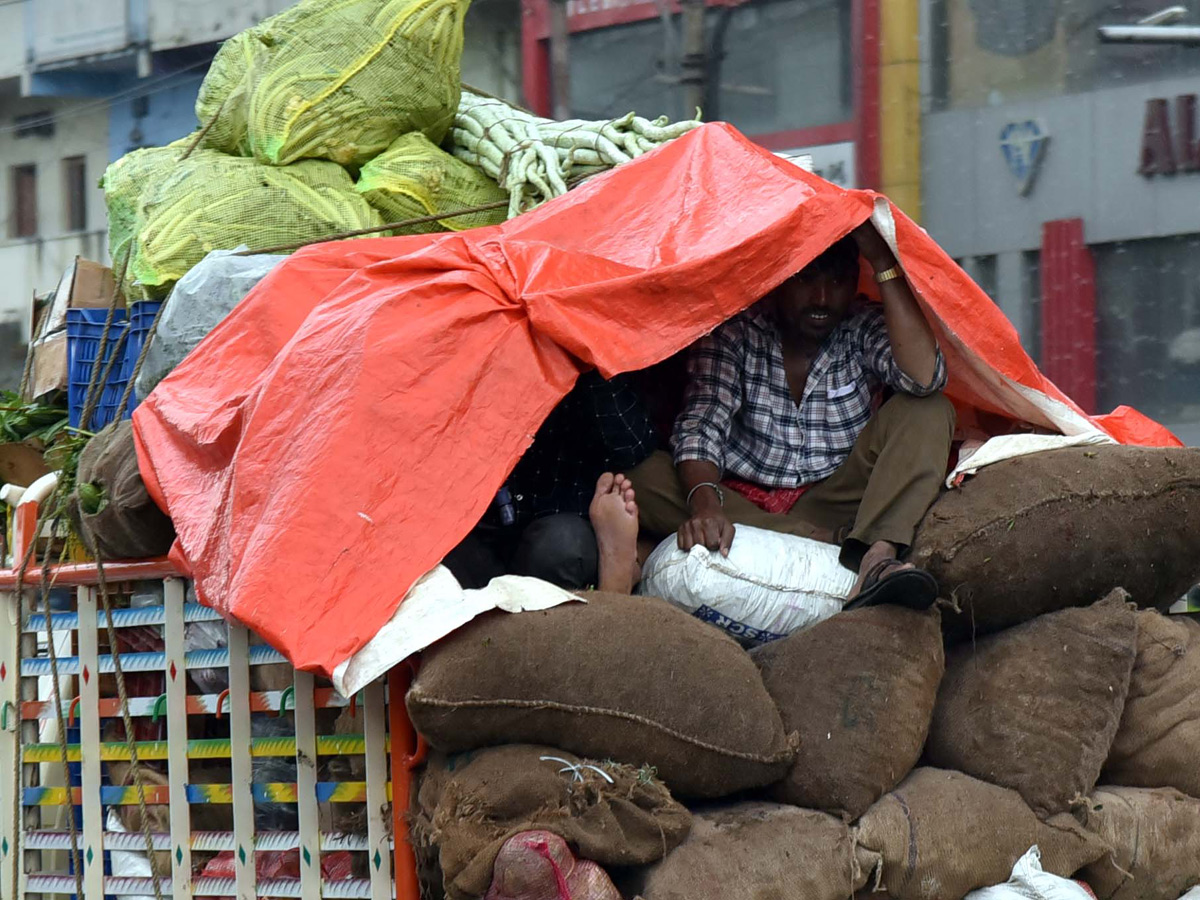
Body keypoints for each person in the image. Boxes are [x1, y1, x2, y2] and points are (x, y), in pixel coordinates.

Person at [629, 221, 956, 609]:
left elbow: (924, 379)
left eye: (837, 282)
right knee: (639, 476)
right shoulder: (737, 331)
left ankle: (876, 556)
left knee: (929, 408)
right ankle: (826, 541)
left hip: (838, 499)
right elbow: (702, 427)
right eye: (805, 279)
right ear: (778, 278)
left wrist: (884, 263)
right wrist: (706, 508)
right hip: (740, 501)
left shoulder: (862, 326)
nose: (822, 298)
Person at [443, 370, 654, 593]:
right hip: (470, 533)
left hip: (554, 528)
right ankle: (615, 585)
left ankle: (616, 572)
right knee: (441, 561)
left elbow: (633, 448)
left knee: (563, 542)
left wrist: (591, 364)